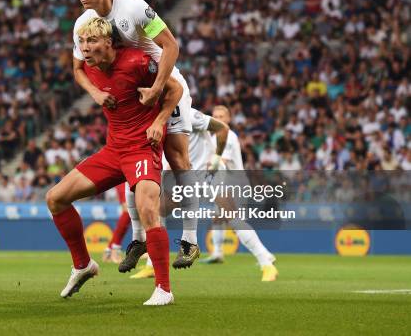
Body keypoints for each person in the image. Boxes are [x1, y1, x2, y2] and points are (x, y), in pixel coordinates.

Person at [70, 0, 199, 269]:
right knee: (131, 164)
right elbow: (77, 70)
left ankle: (191, 241)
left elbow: (170, 46)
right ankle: (139, 238)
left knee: (179, 160)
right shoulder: (83, 25)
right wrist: (96, 93)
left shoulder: (134, 9)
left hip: (164, 86)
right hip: (132, 94)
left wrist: (156, 88)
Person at [47, 17, 182, 305]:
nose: (85, 48)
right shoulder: (90, 66)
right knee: (55, 198)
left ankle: (164, 290)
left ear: (109, 42)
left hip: (142, 148)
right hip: (113, 151)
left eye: (92, 41)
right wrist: (95, 93)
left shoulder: (138, 62)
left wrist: (159, 120)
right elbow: (78, 71)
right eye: (82, 42)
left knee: (148, 208)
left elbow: (175, 90)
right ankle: (83, 265)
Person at [131, 106, 230, 278]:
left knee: (231, 215)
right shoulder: (156, 120)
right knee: (158, 210)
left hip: (208, 174)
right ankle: (153, 263)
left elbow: (222, 128)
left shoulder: (188, 114)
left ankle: (264, 260)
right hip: (185, 175)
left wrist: (215, 158)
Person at [199, 106, 278, 281]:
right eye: (215, 116)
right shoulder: (213, 137)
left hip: (235, 184)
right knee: (218, 217)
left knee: (235, 222)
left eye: (222, 116)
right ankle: (218, 253)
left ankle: (265, 257)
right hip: (223, 182)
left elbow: (220, 161)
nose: (218, 118)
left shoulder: (229, 136)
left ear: (229, 119)